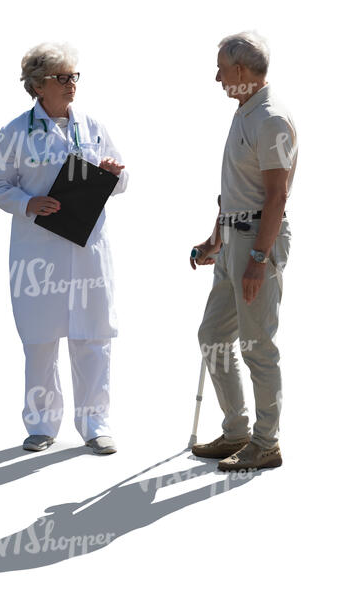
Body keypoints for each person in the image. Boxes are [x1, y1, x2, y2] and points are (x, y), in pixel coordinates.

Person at [0, 41, 128, 455]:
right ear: (37, 85)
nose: (71, 85)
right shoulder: (15, 132)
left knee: (93, 337)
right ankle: (42, 424)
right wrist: (26, 203)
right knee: (41, 339)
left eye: (74, 77)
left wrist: (113, 174)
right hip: (39, 255)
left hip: (87, 249)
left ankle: (95, 423)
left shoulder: (92, 126)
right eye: (61, 78)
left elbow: (122, 177)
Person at [190, 32, 297, 470]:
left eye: (221, 68)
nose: (217, 77)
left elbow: (276, 197)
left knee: (256, 344)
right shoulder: (245, 114)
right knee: (213, 336)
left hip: (256, 242)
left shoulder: (270, 119)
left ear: (240, 70)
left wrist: (257, 258)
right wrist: (215, 239)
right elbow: (233, 192)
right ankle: (236, 431)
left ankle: (266, 442)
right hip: (235, 237)